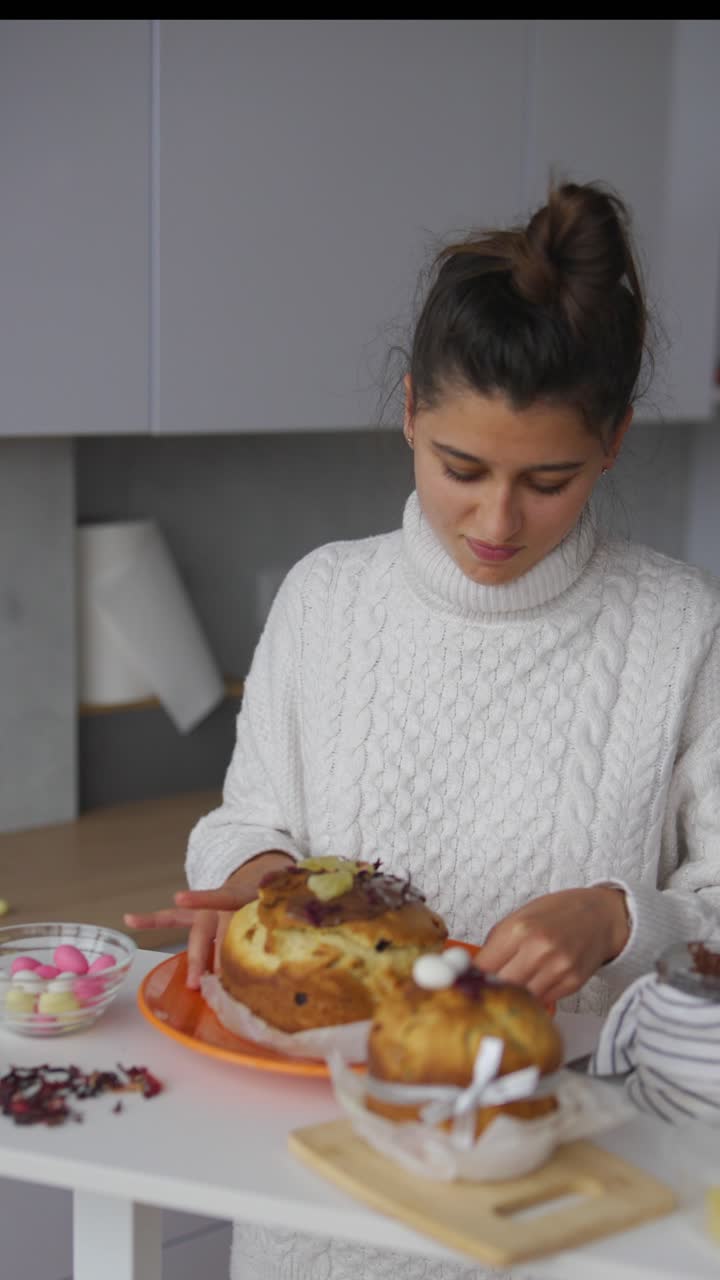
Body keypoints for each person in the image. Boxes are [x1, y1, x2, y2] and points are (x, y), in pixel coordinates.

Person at [126, 180, 720, 1280]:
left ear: (617, 440)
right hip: (316, 1193)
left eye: (549, 480)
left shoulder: (685, 627)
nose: (497, 523)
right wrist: (263, 881)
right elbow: (247, 818)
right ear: (409, 410)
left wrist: (614, 914)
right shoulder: (325, 597)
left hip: (572, 1205)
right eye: (462, 469)